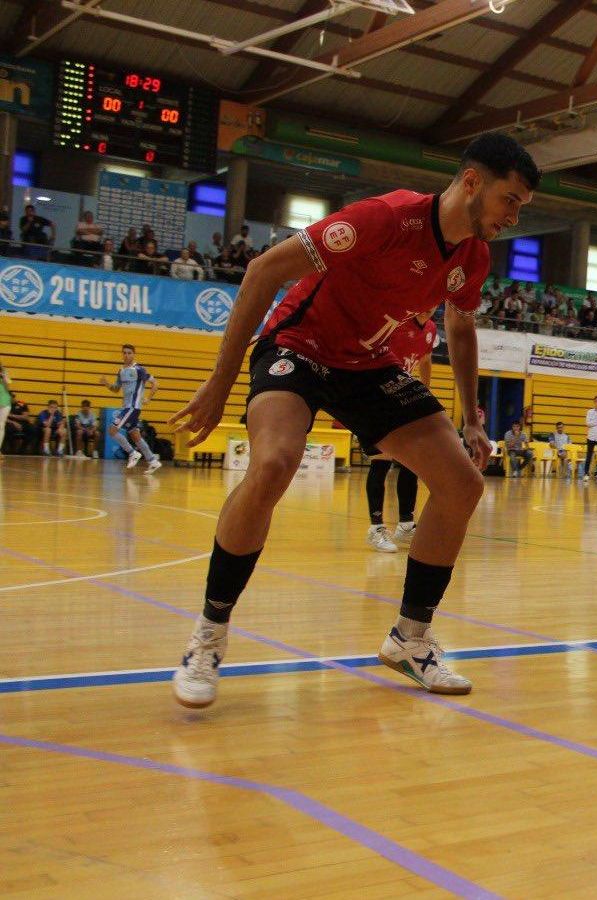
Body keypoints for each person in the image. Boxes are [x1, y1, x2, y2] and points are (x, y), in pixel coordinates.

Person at [166, 133, 538, 708]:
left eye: (520, 207)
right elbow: (264, 270)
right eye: (510, 200)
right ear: (472, 182)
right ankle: (208, 637)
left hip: (369, 364)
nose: (514, 215)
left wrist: (472, 420)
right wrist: (220, 381)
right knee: (272, 465)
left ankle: (409, 640)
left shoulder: (473, 257)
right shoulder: (385, 218)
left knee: (462, 484)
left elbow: (461, 330)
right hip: (300, 345)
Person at [366, 314, 436, 553]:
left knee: (412, 463)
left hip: (403, 398)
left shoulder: (431, 328)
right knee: (381, 462)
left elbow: (426, 359)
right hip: (377, 397)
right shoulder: (398, 322)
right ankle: (376, 528)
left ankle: (405, 524)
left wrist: (424, 391)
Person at [105, 343, 161, 471]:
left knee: (112, 430)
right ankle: (152, 460)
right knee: (135, 435)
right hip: (127, 407)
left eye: (129, 353)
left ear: (133, 354)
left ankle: (132, 453)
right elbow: (116, 389)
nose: (126, 355)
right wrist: (107, 384)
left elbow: (155, 383)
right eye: (124, 353)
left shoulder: (139, 370)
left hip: (133, 407)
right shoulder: (121, 371)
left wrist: (148, 398)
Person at [0, 358, 11, 457]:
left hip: (5, 402)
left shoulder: (4, 372)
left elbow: (7, 388)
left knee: (1, 426)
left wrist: (4, 377)